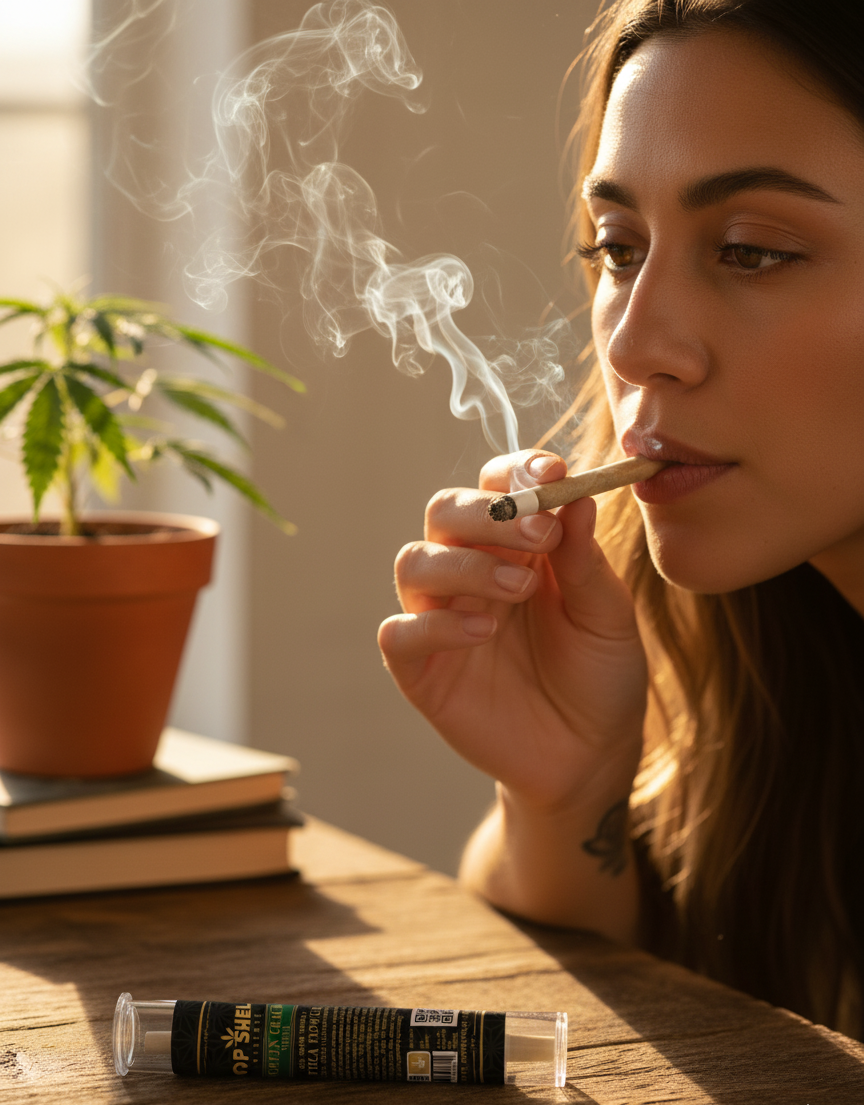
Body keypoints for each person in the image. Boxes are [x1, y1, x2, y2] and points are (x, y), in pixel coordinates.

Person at [377, 0, 864, 1039]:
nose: (639, 342)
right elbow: (572, 1049)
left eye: (750, 250)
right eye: (617, 248)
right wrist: (562, 795)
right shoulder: (770, 693)